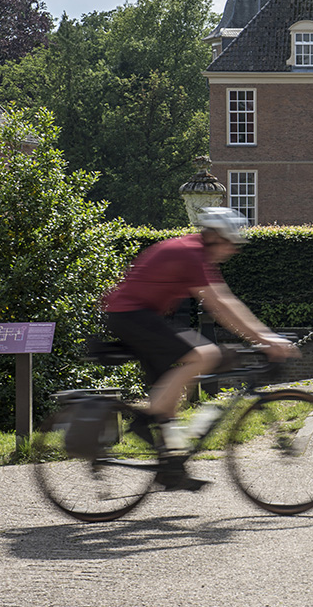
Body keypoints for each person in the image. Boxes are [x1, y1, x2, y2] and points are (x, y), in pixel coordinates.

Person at [102, 207, 298, 488]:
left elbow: (227, 301)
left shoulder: (196, 253)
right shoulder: (190, 253)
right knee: (205, 355)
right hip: (131, 315)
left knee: (171, 393)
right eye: (231, 243)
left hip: (142, 316)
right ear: (216, 237)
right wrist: (267, 340)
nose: (233, 251)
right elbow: (220, 305)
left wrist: (263, 337)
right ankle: (145, 422)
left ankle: (170, 469)